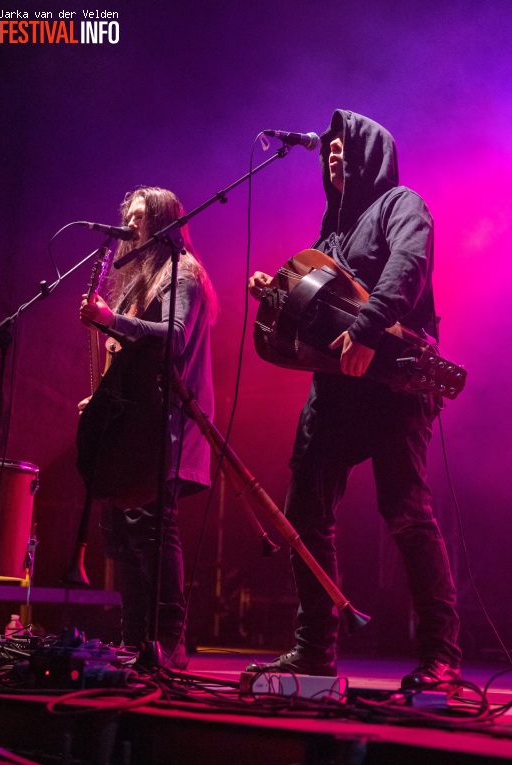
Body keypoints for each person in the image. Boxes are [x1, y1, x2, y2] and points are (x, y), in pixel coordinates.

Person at [247, 110, 461, 694]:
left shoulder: (401, 204)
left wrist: (367, 330)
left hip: (395, 381)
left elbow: (407, 268)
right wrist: (276, 293)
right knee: (304, 510)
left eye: (344, 144)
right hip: (337, 391)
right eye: (329, 148)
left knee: (407, 513)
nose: (333, 152)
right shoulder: (330, 236)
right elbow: (312, 310)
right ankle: (314, 649)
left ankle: (442, 658)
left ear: (372, 149)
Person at [79, 186, 217, 669]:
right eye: (129, 216)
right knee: (123, 531)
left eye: (139, 217)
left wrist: (109, 318)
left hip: (169, 425)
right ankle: (136, 641)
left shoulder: (182, 274)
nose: (130, 224)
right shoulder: (141, 278)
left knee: (152, 530)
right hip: (139, 425)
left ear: (162, 223)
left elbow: (174, 339)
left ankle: (167, 642)